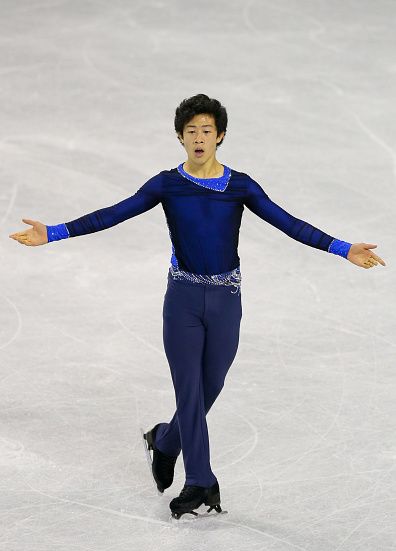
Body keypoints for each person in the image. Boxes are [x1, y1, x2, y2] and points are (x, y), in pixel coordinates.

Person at [9, 93, 386, 519]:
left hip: (226, 300)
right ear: (180, 137)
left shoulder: (240, 186)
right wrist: (54, 233)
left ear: (220, 135)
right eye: (191, 131)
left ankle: (165, 440)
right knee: (189, 390)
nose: (199, 137)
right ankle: (200, 481)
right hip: (183, 301)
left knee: (210, 388)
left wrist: (342, 248)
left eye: (207, 130)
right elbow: (113, 214)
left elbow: (289, 223)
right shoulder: (166, 184)